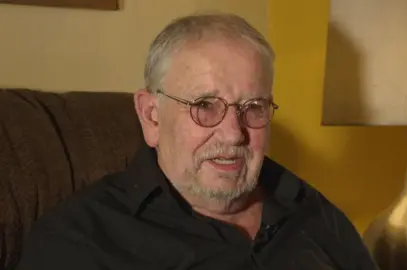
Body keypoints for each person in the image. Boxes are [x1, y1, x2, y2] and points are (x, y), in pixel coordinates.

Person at [17, 12, 376, 270]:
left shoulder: (312, 211)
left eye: (253, 107)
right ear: (151, 116)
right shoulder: (79, 242)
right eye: (205, 106)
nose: (234, 134)